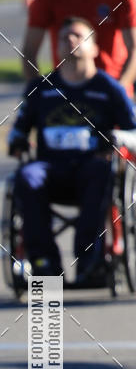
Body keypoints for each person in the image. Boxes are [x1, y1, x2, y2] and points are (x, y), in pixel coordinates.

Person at [9, 16, 136, 286]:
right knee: (27, 177)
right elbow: (19, 129)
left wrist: (116, 137)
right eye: (64, 37)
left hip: (92, 168)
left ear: (95, 48)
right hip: (50, 169)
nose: (70, 40)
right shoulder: (41, 89)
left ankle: (91, 262)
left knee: (100, 172)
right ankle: (44, 263)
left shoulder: (109, 89)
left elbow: (134, 133)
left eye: (78, 36)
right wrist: (17, 140)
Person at [22, 0, 136, 94]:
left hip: (110, 87)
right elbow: (29, 51)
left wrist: (120, 88)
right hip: (66, 91)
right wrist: (37, 93)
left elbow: (134, 49)